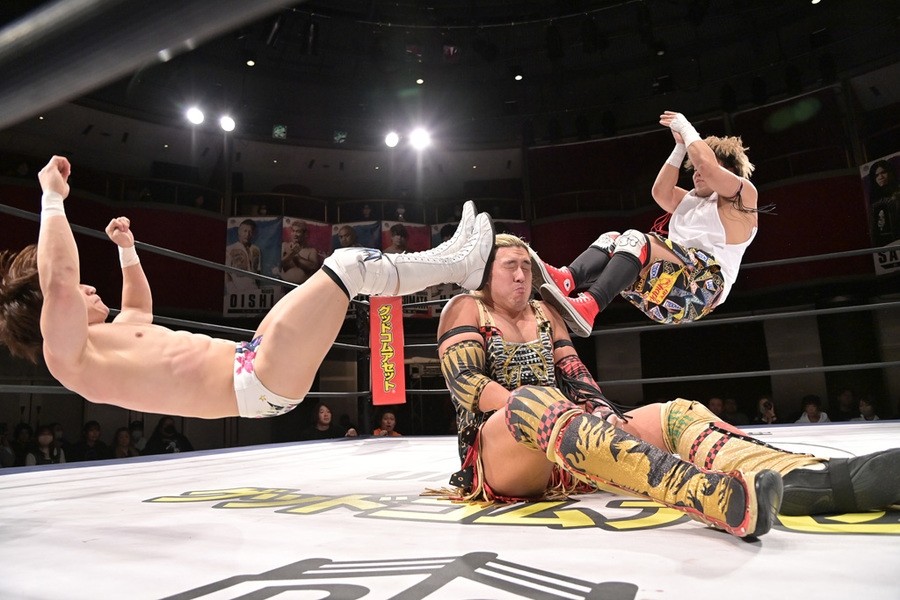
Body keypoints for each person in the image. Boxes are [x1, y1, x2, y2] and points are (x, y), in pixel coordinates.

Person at [437, 233, 900, 540]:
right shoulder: (466, 308)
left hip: (565, 441)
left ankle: (804, 479)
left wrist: (603, 412)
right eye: (510, 266)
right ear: (486, 274)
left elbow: (574, 371)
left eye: (526, 266)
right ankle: (704, 494)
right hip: (498, 456)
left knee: (674, 412)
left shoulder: (545, 311)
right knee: (532, 401)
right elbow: (467, 384)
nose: (522, 275)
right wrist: (535, 403)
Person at [0, 156, 494, 425]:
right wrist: (52, 199)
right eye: (79, 292)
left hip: (252, 357)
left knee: (341, 273)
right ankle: (460, 266)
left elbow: (138, 308)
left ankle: (453, 257)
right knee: (346, 267)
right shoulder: (69, 357)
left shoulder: (109, 339)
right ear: (48, 314)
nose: (88, 288)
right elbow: (59, 281)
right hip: (257, 381)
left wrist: (127, 251)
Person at [533, 111, 764, 336]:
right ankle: (568, 279)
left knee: (636, 239)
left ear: (731, 172)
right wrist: (680, 146)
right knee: (613, 239)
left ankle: (589, 306)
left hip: (705, 287)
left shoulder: (742, 196)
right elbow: (660, 192)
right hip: (664, 294)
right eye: (693, 170)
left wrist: (686, 128)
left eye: (701, 169)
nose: (697, 173)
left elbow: (707, 167)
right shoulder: (690, 200)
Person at [225, 218, 263, 293]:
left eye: (250, 232)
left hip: (254, 290)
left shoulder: (256, 249)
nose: (247, 234)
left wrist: (258, 288)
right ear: (239, 232)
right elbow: (226, 272)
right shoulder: (230, 249)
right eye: (245, 231)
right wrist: (231, 289)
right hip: (237, 290)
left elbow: (258, 271)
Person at [867, 160, 898, 245]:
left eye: (883, 172)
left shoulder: (897, 193)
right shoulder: (874, 198)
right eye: (876, 175)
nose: (880, 177)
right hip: (884, 243)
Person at [280, 219, 319, 285]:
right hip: (284, 285)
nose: (295, 234)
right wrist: (291, 254)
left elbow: (314, 267)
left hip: (303, 287)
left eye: (298, 231)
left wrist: (297, 258)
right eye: (293, 231)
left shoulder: (311, 251)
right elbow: (278, 264)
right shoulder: (284, 245)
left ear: (305, 234)